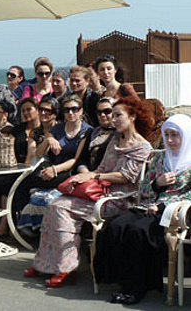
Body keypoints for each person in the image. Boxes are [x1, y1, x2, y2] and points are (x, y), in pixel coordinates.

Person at [24, 96, 153, 289]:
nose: (114, 119)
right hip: (100, 191)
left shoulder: (142, 147)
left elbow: (126, 177)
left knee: (62, 209)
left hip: (119, 198)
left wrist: (94, 176)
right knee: (54, 205)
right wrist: (85, 177)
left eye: (118, 115)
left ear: (132, 117)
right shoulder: (115, 140)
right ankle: (46, 263)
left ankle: (66, 268)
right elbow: (101, 167)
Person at [93, 114, 191, 305]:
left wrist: (162, 205)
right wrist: (157, 184)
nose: (170, 140)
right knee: (116, 227)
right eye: (167, 135)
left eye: (175, 135)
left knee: (138, 232)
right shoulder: (159, 158)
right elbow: (144, 188)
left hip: (173, 213)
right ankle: (122, 281)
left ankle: (137, 288)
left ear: (186, 136)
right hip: (146, 205)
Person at [13, 95, 92, 213]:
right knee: (20, 183)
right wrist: (48, 140)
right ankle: (18, 220)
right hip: (52, 167)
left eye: (74, 109)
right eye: (67, 110)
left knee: (26, 183)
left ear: (80, 111)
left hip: (69, 170)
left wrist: (54, 169)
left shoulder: (86, 130)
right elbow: (38, 153)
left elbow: (76, 159)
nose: (70, 112)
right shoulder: (56, 129)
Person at [0, 98, 40, 241]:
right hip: (15, 166)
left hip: (32, 169)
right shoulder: (17, 129)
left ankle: (4, 227)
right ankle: (9, 223)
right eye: (23, 110)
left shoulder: (42, 129)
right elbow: (8, 147)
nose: (26, 113)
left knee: (8, 189)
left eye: (29, 109)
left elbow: (32, 156)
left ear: (37, 110)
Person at [74, 98, 116, 174]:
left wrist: (92, 175)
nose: (102, 115)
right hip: (86, 175)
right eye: (99, 112)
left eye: (107, 111)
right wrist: (84, 171)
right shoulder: (92, 132)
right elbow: (82, 159)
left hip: (106, 176)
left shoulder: (120, 134)